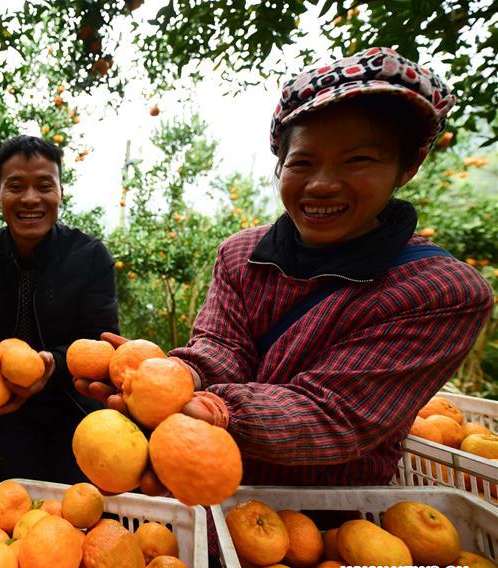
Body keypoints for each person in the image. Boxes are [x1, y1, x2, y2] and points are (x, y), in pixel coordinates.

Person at [79, 48, 492, 486]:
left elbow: (335, 411)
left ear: (408, 166)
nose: (322, 184)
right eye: (303, 162)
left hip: (339, 519)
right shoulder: (241, 254)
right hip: (209, 482)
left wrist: (212, 410)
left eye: (358, 160)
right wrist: (180, 375)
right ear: (281, 164)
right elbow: (223, 347)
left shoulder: (440, 291)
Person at [0, 135, 119, 483]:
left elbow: (101, 342)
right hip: (4, 412)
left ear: (61, 192)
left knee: (82, 512)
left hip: (77, 413)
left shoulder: (90, 256)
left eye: (44, 185)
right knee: (12, 513)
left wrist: (51, 364)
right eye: (16, 186)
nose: (30, 198)